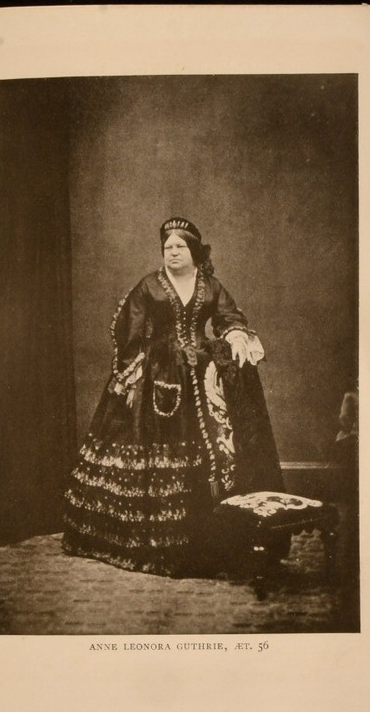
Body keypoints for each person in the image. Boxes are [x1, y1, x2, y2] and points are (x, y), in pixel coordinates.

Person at [62, 217, 285, 575]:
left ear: (194, 251)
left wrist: (234, 334)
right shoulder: (149, 285)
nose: (173, 252)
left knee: (212, 449)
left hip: (203, 377)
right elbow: (130, 332)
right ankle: (155, 539)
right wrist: (132, 376)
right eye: (168, 247)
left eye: (180, 246)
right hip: (158, 374)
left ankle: (209, 536)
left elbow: (229, 316)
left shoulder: (210, 285)